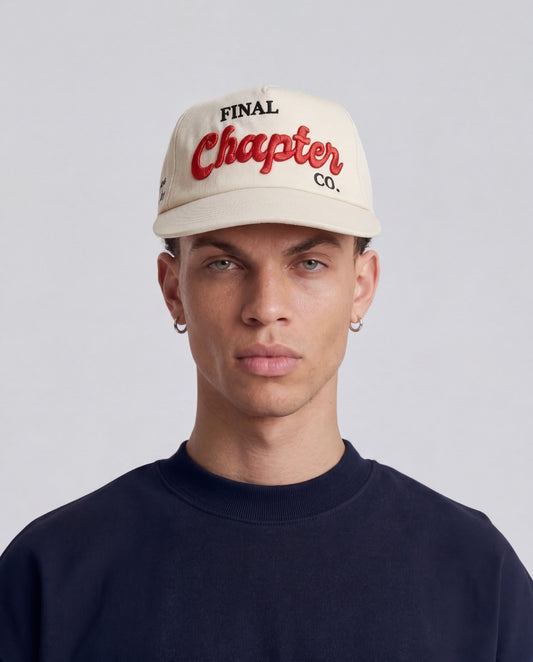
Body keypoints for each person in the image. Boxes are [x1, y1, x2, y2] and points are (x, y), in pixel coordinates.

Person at [1, 85, 532, 661]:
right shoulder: (51, 576)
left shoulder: (476, 576)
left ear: (361, 286)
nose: (266, 307)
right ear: (173, 289)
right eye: (223, 263)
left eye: (309, 263)